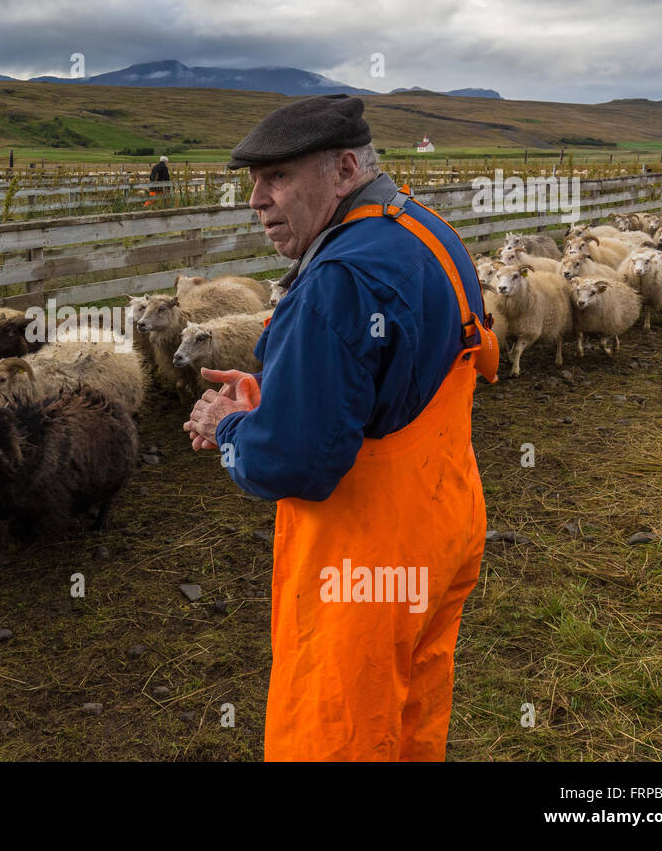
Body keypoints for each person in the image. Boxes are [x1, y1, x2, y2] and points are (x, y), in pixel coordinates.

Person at [183, 94, 498, 761]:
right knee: (409, 709)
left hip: (366, 561)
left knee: (337, 733)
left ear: (345, 167)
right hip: (444, 523)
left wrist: (237, 427)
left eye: (278, 178)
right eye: (253, 182)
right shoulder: (423, 231)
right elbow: (385, 376)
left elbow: (295, 461)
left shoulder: (338, 279)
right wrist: (275, 396)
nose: (257, 200)